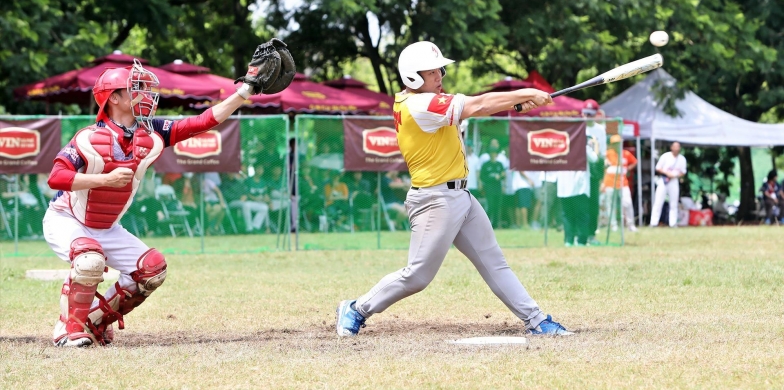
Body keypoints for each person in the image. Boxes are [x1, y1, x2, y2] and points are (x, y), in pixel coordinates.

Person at [43, 40, 295, 347]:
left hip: (105, 226)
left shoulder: (150, 132)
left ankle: (94, 321)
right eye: (134, 88)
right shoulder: (88, 137)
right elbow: (56, 178)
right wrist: (104, 179)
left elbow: (202, 121)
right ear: (113, 99)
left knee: (152, 270)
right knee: (89, 260)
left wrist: (245, 91)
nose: (144, 95)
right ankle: (67, 330)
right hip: (66, 218)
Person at [336, 41, 572, 337]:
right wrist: (527, 92)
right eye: (432, 71)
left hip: (460, 196)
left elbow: (471, 110)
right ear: (412, 77)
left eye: (440, 69)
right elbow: (479, 104)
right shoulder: (419, 105)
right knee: (418, 275)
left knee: (494, 262)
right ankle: (356, 308)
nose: (440, 75)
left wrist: (514, 104)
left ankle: (536, 320)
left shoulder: (426, 100)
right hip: (435, 200)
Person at [556, 141, 599, 246]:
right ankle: (581, 241)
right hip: (579, 187)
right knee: (582, 215)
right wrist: (595, 147)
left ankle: (568, 240)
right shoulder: (583, 146)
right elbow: (595, 158)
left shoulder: (559, 145)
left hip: (565, 187)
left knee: (567, 215)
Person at [602, 135, 638, 233]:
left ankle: (631, 225)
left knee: (627, 203)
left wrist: (628, 169)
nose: (617, 145)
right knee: (610, 205)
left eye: (619, 143)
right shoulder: (608, 154)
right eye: (615, 143)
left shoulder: (626, 153)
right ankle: (613, 225)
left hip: (623, 183)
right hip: (609, 183)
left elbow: (635, 162)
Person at [649, 142, 687, 227]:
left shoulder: (682, 159)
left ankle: (673, 223)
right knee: (658, 201)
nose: (676, 148)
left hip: (674, 181)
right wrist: (667, 173)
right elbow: (658, 168)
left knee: (673, 203)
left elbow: (683, 172)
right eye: (675, 146)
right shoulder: (665, 156)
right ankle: (653, 222)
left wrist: (675, 175)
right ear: (671, 147)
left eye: (678, 147)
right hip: (663, 180)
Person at [583, 99, 606, 240]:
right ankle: (579, 234)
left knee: (593, 204)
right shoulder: (576, 126)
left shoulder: (600, 130)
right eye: (585, 114)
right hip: (578, 171)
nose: (587, 117)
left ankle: (591, 234)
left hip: (593, 170)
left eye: (590, 114)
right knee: (580, 204)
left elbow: (602, 153)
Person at [239, 165, 270, 233]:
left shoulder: (263, 182)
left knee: (265, 208)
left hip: (260, 202)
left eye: (261, 169)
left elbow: (265, 194)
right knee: (246, 205)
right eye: (258, 169)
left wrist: (266, 199)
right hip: (250, 202)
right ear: (255, 169)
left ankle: (255, 227)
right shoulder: (248, 180)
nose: (260, 171)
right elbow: (246, 193)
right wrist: (255, 198)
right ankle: (249, 228)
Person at [479, 147, 506, 225]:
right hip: (489, 188)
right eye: (491, 153)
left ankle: (496, 224)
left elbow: (503, 175)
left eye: (494, 153)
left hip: (498, 188)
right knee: (490, 206)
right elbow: (482, 177)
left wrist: (501, 177)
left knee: (497, 206)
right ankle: (487, 223)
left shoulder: (499, 164)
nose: (493, 155)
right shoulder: (486, 165)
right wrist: (493, 178)